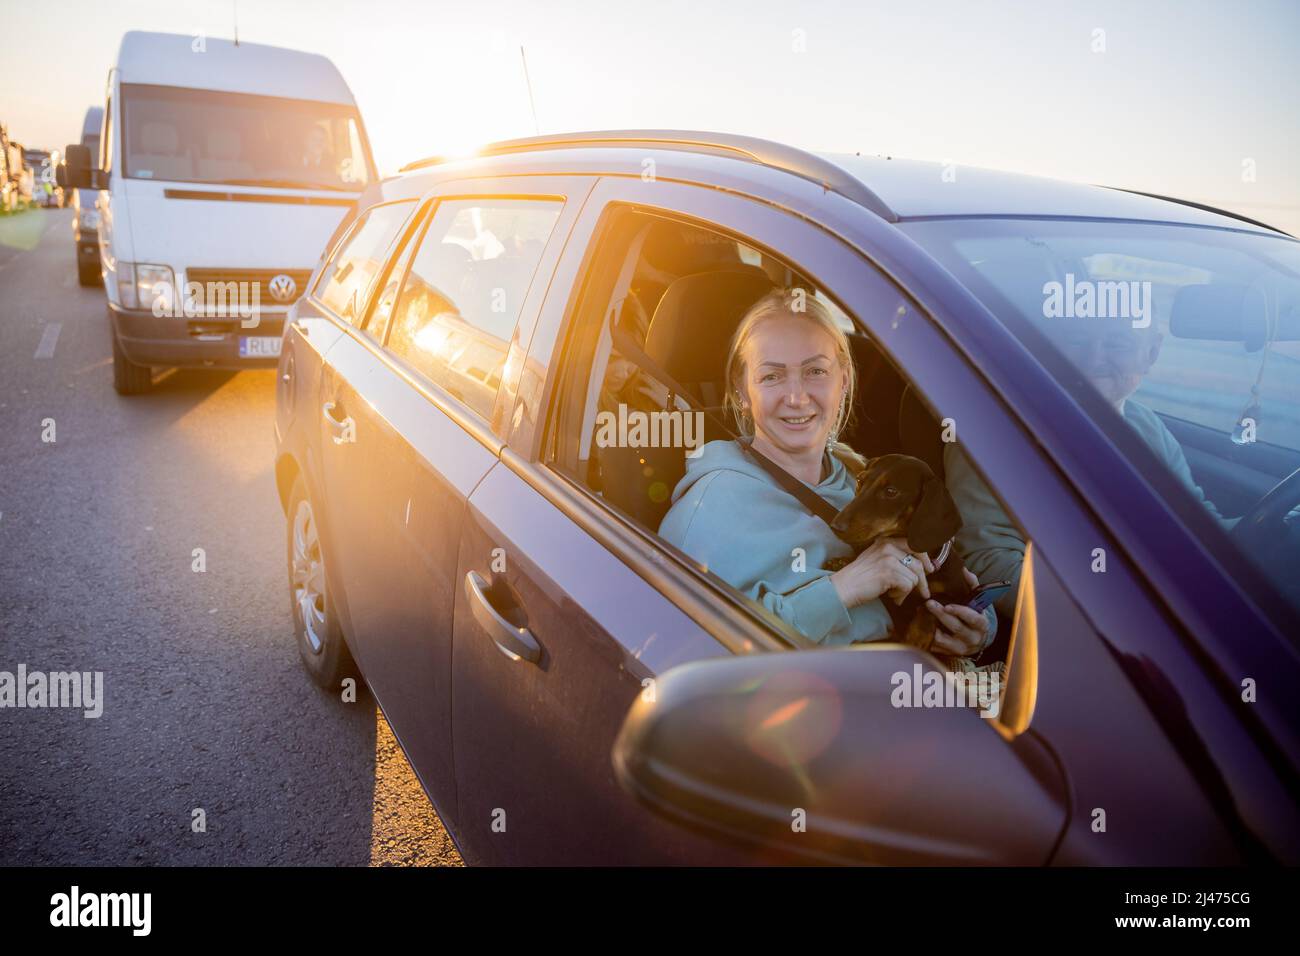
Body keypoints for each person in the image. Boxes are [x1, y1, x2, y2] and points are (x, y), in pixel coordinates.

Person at [659, 288, 995, 651]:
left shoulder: (864, 484)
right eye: (772, 376)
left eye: (815, 371)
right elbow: (695, 653)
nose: (797, 397)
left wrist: (975, 630)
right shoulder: (706, 513)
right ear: (742, 389)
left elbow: (944, 580)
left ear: (844, 379)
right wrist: (844, 589)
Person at [947, 312, 1235, 619]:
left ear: (1151, 353)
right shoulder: (994, 430)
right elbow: (989, 560)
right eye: (1078, 339)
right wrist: (1126, 610)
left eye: (1117, 344)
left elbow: (1198, 524)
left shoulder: (1146, 427)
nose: (1093, 358)